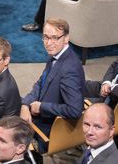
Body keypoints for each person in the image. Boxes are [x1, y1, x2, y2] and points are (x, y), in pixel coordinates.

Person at [20, 18, 85, 152]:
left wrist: (42, 107)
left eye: (55, 38)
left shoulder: (69, 69)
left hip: (48, 130)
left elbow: (75, 110)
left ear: (66, 38)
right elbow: (40, 83)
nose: (49, 43)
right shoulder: (56, 55)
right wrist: (25, 104)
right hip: (38, 115)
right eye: (46, 37)